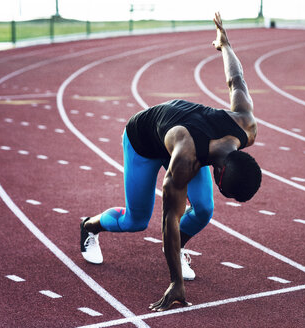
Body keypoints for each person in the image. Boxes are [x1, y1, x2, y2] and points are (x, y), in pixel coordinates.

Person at [80, 12, 261, 311]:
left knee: (203, 209)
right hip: (143, 139)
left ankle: (176, 251)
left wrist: (225, 45)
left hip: (179, 130)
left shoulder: (246, 126)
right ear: (219, 172)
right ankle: (89, 227)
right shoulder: (186, 160)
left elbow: (236, 79)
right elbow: (169, 220)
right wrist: (175, 282)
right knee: (136, 220)